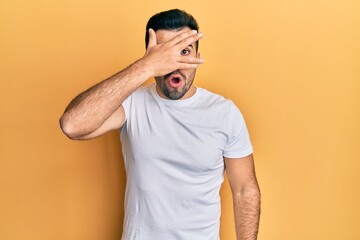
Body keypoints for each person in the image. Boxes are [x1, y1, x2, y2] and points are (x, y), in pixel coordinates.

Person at [60, 9, 261, 240]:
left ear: (197, 56)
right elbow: (72, 125)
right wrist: (145, 67)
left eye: (184, 52)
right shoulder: (132, 104)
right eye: (164, 53)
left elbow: (245, 190)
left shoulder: (224, 113)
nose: (175, 64)